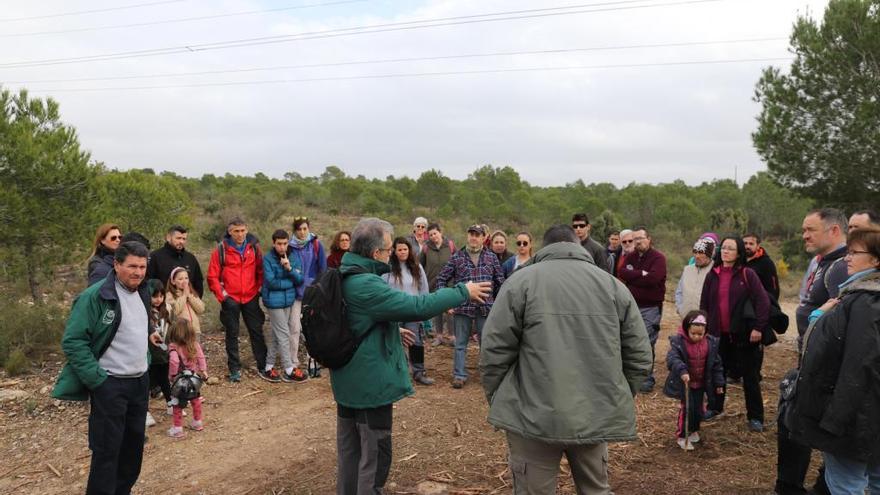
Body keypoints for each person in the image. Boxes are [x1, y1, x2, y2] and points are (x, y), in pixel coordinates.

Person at [479, 225, 652, 494]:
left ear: (543, 248)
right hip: (593, 413)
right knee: (596, 490)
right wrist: (612, 398)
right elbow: (640, 356)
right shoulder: (613, 286)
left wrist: (502, 397)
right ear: (578, 245)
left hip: (530, 416)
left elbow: (494, 351)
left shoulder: (520, 282)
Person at [332, 218, 491, 495]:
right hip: (371, 385)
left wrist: (393, 329)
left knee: (350, 450)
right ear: (374, 253)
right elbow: (418, 306)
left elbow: (359, 321)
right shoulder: (366, 284)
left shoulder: (343, 274)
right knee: (375, 452)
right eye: (388, 249)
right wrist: (462, 291)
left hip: (348, 380)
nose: (391, 253)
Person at [53, 241, 162, 495]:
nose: (138, 272)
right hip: (110, 384)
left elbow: (133, 323)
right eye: (132, 266)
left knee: (132, 451)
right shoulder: (96, 296)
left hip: (139, 382)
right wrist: (97, 380)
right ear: (116, 264)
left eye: (142, 267)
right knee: (107, 453)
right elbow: (73, 341)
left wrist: (149, 336)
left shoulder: (143, 291)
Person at [785, 228, 880, 494]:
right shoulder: (858, 296)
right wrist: (819, 316)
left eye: (854, 253)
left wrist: (835, 421)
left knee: (846, 484)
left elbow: (858, 364)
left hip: (854, 417)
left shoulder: (865, 301)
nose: (847, 258)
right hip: (867, 414)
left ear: (875, 261)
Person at [776, 208, 850, 495]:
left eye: (810, 230)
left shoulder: (841, 267)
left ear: (833, 231)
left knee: (799, 427)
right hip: (810, 365)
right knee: (792, 424)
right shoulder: (822, 262)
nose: (804, 235)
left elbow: (845, 319)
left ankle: (806, 487)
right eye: (803, 229)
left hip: (825, 372)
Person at [699, 236, 770, 432]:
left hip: (744, 336)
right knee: (717, 374)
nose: (725, 251)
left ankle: (755, 417)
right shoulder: (712, 274)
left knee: (750, 377)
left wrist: (758, 327)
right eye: (723, 248)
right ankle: (715, 407)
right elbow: (704, 304)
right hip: (718, 335)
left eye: (730, 248)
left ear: (739, 252)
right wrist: (703, 327)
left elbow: (762, 302)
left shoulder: (748, 274)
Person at [435, 224, 505, 389]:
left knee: (485, 343)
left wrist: (498, 304)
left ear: (483, 238)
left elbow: (500, 282)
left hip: (485, 307)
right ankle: (459, 375)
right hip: (462, 307)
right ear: (468, 236)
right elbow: (441, 279)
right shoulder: (457, 257)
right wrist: (446, 301)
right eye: (471, 234)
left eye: (477, 235)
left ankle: (487, 376)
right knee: (460, 343)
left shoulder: (491, 257)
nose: (474, 237)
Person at [207, 217, 271, 383]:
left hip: (250, 295)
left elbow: (261, 270)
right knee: (232, 333)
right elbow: (212, 276)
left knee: (256, 331)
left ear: (247, 230)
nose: (240, 234)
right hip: (231, 298)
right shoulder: (221, 250)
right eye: (236, 231)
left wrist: (258, 289)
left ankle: (263, 365)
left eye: (243, 230)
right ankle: (234, 368)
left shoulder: (254, 247)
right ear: (230, 232)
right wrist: (223, 296)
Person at [663, 311, 724, 451]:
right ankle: (682, 435)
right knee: (687, 409)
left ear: (705, 332)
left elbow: (716, 365)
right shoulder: (679, 342)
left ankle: (694, 430)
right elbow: (673, 359)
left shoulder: (710, 344)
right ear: (686, 329)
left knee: (699, 409)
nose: (696, 337)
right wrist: (682, 371)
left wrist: (719, 383)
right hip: (686, 383)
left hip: (701, 383)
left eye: (700, 334)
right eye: (693, 334)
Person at [618, 226, 667, 392]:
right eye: (635, 239)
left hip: (651, 308)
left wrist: (635, 276)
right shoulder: (631, 257)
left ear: (649, 239)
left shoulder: (658, 258)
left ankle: (647, 378)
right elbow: (622, 273)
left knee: (646, 341)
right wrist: (642, 274)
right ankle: (633, 375)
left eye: (641, 238)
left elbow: (654, 278)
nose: (638, 241)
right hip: (632, 306)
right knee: (631, 340)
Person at [382, 237, 434, 385]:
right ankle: (401, 371)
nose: (403, 252)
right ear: (394, 251)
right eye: (400, 249)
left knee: (415, 341)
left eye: (405, 249)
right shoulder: (388, 268)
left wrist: (425, 308)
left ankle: (419, 372)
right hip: (394, 310)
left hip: (412, 310)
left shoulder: (416, 266)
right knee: (396, 341)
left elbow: (423, 288)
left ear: (409, 250)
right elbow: (382, 286)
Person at [261, 229, 307, 383]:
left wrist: (289, 268)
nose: (282, 247)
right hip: (273, 302)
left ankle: (268, 366)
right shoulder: (267, 259)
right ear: (274, 243)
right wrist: (290, 282)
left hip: (288, 300)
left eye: (285, 243)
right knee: (284, 334)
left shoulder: (293, 257)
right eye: (279, 244)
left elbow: (300, 279)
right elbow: (271, 282)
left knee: (276, 334)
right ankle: (289, 369)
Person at [289, 216, 327, 377]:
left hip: (312, 293)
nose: (303, 232)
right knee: (295, 328)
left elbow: (323, 269)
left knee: (312, 328)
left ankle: (313, 362)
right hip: (295, 293)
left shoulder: (316, 244)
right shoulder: (289, 247)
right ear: (295, 231)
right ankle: (293, 363)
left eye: (305, 228)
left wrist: (319, 288)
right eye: (299, 229)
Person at [166, 319, 208, 439]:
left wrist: (172, 376)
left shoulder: (174, 347)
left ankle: (178, 428)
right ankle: (197, 422)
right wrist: (203, 370)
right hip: (194, 378)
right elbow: (201, 357)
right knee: (195, 399)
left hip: (180, 380)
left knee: (178, 403)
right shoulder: (194, 344)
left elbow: (174, 361)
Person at [419, 223, 457, 346]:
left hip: (449, 282)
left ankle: (452, 337)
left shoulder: (450, 245)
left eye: (435, 233)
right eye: (430, 235)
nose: (433, 236)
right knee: (437, 310)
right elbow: (420, 265)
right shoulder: (426, 248)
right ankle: (439, 336)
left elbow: (457, 261)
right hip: (433, 282)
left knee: (450, 309)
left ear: (440, 232)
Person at [147, 225, 205, 297]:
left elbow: (198, 283)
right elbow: (148, 284)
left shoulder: (191, 258)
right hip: (162, 304)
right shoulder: (155, 257)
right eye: (178, 238)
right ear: (168, 237)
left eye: (184, 239)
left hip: (187, 304)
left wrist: (194, 302)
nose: (181, 241)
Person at [147, 279, 172, 421]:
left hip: (163, 353)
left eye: (161, 296)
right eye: (154, 296)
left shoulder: (165, 311)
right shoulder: (145, 313)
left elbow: (168, 331)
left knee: (164, 380)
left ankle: (170, 404)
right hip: (150, 354)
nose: (158, 299)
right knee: (147, 384)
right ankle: (145, 412)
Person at [675, 237, 715, 317]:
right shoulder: (687, 270)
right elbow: (679, 292)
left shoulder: (715, 271)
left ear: (709, 255)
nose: (697, 256)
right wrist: (680, 309)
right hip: (686, 319)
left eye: (701, 253)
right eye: (695, 252)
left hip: (706, 321)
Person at [165, 267, 205, 337]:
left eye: (186, 278)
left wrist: (189, 296)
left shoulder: (192, 293)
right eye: (180, 279)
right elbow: (175, 311)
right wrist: (184, 296)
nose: (184, 281)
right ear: (173, 281)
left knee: (195, 348)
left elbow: (201, 309)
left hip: (194, 330)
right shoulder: (169, 295)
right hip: (180, 332)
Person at [744, 233, 780, 301]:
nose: (747, 246)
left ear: (758, 246)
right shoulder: (738, 261)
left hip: (760, 303)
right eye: (745, 243)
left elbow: (774, 289)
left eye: (751, 244)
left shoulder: (766, 263)